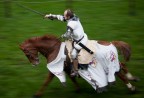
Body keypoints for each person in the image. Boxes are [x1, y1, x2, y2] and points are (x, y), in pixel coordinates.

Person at [44, 9, 89, 76]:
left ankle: (76, 71)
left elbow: (67, 35)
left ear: (68, 17)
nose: (64, 16)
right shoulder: (73, 17)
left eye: (65, 16)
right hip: (79, 37)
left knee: (73, 54)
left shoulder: (71, 23)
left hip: (80, 41)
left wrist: (63, 35)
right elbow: (60, 17)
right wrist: (50, 16)